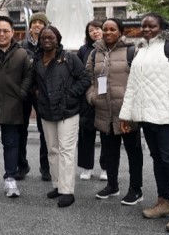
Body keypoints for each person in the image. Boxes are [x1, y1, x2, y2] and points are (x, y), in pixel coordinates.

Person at [119, 13, 169, 233]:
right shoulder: (140, 51)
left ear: (161, 27)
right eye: (143, 26)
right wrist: (127, 116)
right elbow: (132, 86)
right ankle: (164, 202)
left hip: (168, 117)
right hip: (146, 117)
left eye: (151, 26)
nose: (147, 29)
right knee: (157, 159)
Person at [85, 18, 144, 206]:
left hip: (126, 112)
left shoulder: (131, 51)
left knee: (133, 151)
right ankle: (112, 185)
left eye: (113, 29)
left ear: (120, 31)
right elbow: (89, 79)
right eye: (105, 29)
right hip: (103, 111)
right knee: (109, 151)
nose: (108, 32)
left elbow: (140, 80)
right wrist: (92, 97)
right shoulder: (95, 53)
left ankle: (136, 189)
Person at [34, 25, 91, 208]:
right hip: (47, 111)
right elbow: (32, 82)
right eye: (44, 37)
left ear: (57, 39)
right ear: (39, 40)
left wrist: (70, 95)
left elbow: (85, 78)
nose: (47, 40)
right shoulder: (36, 59)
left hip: (68, 111)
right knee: (52, 149)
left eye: (51, 37)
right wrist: (36, 94)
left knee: (66, 150)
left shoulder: (69, 58)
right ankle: (57, 185)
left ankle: (67, 191)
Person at [0, 16, 34, 199]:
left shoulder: (22, 54)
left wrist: (21, 93)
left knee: (11, 144)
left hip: (13, 106)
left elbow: (28, 76)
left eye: (6, 31)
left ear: (12, 33)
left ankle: (10, 177)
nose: (2, 34)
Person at [18, 11, 51, 181]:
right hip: (23, 93)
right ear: (30, 27)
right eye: (34, 23)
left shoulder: (49, 44)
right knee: (20, 129)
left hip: (42, 94)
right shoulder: (21, 45)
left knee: (44, 131)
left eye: (40, 22)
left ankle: (45, 167)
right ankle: (21, 166)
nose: (37, 25)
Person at [77, 20, 107, 181]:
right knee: (85, 134)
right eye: (91, 30)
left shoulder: (110, 47)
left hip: (106, 96)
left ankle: (105, 167)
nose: (95, 32)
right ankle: (86, 167)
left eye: (97, 29)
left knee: (106, 135)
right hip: (87, 96)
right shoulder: (84, 50)